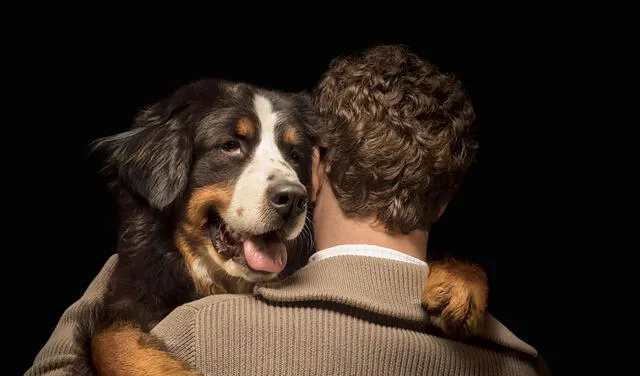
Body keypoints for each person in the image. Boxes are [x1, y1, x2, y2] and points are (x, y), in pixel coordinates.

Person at [26, 44, 549, 375]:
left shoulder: (194, 338)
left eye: (294, 155)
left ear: (317, 172)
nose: (288, 181)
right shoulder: (520, 361)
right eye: (232, 147)